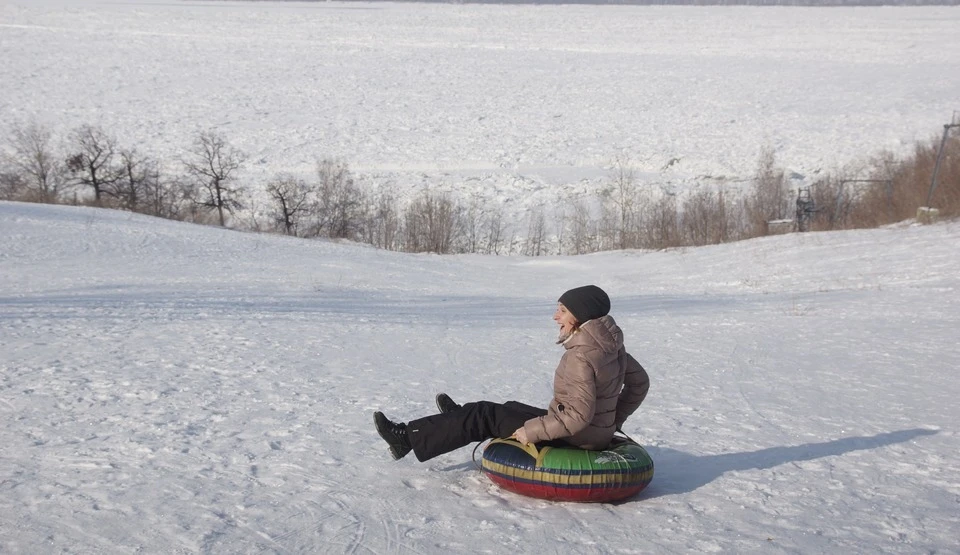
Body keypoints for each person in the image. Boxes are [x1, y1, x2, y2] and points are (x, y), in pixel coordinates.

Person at [373, 285, 650, 462]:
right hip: (592, 434)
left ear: (580, 316)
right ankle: (456, 417)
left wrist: (532, 431)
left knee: (484, 414)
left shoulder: (580, 355)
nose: (556, 316)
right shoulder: (609, 347)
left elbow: (577, 417)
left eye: (562, 311)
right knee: (509, 408)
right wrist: (612, 421)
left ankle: (405, 438)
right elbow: (639, 383)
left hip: (578, 439)